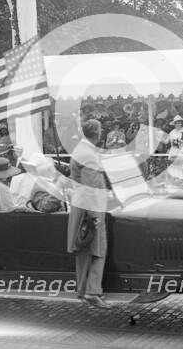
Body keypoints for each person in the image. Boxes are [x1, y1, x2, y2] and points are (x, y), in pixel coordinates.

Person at [67, 119, 110, 309]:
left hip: (81, 208)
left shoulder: (81, 150)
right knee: (98, 250)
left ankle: (83, 290)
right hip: (91, 210)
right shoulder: (89, 155)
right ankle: (92, 291)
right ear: (97, 133)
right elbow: (91, 189)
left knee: (84, 252)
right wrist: (95, 216)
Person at [166, 115, 183, 184]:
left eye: (179, 123)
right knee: (172, 167)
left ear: (182, 123)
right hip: (173, 151)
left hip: (181, 150)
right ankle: (173, 183)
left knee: (181, 166)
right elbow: (168, 141)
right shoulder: (172, 132)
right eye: (176, 123)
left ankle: (182, 183)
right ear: (174, 124)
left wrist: (182, 149)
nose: (178, 124)